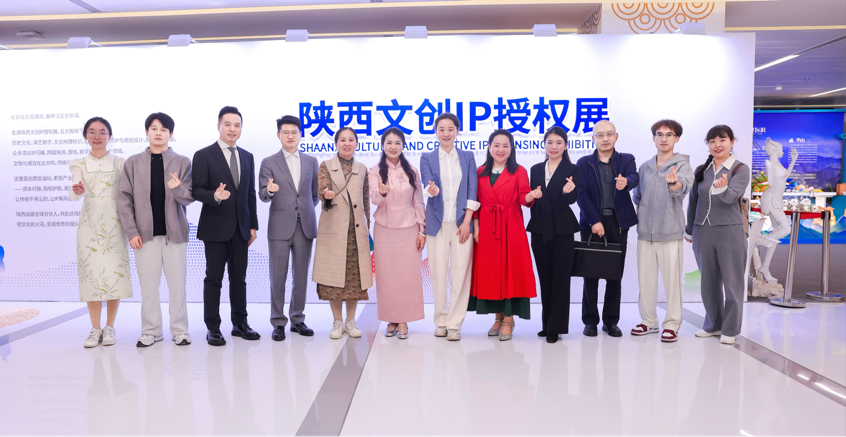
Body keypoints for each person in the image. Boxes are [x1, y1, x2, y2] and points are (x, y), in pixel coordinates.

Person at [118, 112, 194, 347]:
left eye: (163, 129)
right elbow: (124, 199)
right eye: (153, 128)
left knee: (177, 286)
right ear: (146, 132)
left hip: (175, 235)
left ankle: (180, 330)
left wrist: (178, 188)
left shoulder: (182, 162)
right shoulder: (133, 163)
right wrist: (132, 232)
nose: (158, 133)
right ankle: (151, 331)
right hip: (144, 235)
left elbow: (189, 197)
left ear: (171, 134)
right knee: (148, 286)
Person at [192, 106, 260, 346]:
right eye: (228, 124)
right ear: (218, 126)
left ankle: (240, 324)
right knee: (214, 279)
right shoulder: (203, 155)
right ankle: (213, 327)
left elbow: (249, 193)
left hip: (241, 229)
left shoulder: (247, 156)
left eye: (237, 125)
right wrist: (215, 196)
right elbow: (196, 190)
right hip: (215, 228)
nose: (233, 129)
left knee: (239, 279)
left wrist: (253, 226)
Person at [469, 129, 537, 341]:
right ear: (489, 147)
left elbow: (524, 197)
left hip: (510, 226)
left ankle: (509, 318)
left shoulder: (519, 171)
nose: (500, 150)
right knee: (491, 272)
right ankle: (498, 316)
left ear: (511, 148)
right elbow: (475, 201)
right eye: (496, 145)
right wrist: (476, 227)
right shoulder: (480, 172)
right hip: (486, 227)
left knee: (510, 271)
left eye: (505, 146)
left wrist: (531, 195)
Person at [685, 125, 750, 345]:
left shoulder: (740, 169)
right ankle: (713, 325)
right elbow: (693, 201)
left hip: (730, 232)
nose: (717, 145)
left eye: (722, 140)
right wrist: (689, 229)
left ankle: (730, 329)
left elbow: (732, 197)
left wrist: (722, 188)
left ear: (732, 142)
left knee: (732, 282)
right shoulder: (702, 169)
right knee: (708, 283)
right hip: (702, 231)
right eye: (712, 141)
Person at [71, 117, 132, 348]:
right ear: (86, 135)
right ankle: (94, 328)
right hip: (89, 227)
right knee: (92, 278)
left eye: (102, 132)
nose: (97, 136)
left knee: (113, 277)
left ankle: (109, 327)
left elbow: (128, 193)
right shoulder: (78, 163)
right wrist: (77, 189)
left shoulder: (120, 162)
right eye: (92, 131)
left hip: (114, 226)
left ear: (109, 136)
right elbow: (74, 191)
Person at [630, 119, 694, 343]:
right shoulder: (645, 167)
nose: (664, 138)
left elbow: (682, 188)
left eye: (669, 135)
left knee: (672, 281)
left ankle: (672, 323)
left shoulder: (682, 166)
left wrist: (674, 184)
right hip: (645, 234)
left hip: (670, 232)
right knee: (646, 280)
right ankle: (649, 321)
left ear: (677, 138)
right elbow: (638, 197)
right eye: (660, 134)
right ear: (653, 138)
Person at [419, 113, 480, 341]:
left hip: (461, 223)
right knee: (437, 273)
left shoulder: (467, 156)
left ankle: (454, 324)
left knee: (460, 273)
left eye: (450, 129)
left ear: (457, 131)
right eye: (441, 129)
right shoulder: (427, 157)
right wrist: (431, 189)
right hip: (436, 223)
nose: (446, 133)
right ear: (435, 131)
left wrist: (467, 220)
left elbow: (472, 189)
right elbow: (427, 183)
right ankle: (440, 321)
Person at [575, 119, 638, 338]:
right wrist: (594, 221)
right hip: (591, 223)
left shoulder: (626, 159)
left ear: (616, 137)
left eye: (609, 134)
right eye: (600, 135)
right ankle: (590, 321)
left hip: (618, 224)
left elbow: (634, 177)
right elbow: (580, 193)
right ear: (593, 138)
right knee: (590, 275)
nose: (605, 138)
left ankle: (611, 321)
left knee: (614, 275)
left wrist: (626, 182)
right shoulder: (584, 163)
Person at [259, 115, 319, 341]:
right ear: (279, 135)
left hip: (305, 226)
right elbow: (263, 194)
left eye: (294, 132)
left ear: (300, 134)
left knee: (301, 276)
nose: (290, 136)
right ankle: (278, 322)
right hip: (279, 227)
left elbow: (314, 195)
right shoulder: (269, 162)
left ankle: (297, 319)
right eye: (286, 132)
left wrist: (303, 210)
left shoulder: (311, 161)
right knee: (278, 277)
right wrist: (270, 190)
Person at [312, 127, 371, 340]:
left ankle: (350, 320)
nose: (347, 143)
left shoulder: (362, 168)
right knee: (333, 277)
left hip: (356, 232)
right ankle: (337, 321)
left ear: (356, 143)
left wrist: (368, 225)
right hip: (334, 230)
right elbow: (322, 190)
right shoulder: (326, 166)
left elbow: (365, 199)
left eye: (351, 140)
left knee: (355, 277)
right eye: (342, 140)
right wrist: (326, 195)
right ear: (336, 143)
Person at [368, 127, 426, 339]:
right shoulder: (374, 171)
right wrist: (381, 193)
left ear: (403, 146)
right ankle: (391, 318)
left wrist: (422, 230)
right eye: (389, 143)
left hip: (409, 228)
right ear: (383, 145)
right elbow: (374, 197)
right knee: (387, 276)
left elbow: (418, 201)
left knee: (407, 275)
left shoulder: (412, 171)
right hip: (384, 230)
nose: (393, 147)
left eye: (397, 143)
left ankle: (403, 319)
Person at [526, 126, 580, 344]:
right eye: (550, 142)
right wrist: (533, 196)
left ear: (565, 145)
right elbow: (532, 200)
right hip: (539, 229)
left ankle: (555, 328)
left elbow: (572, 200)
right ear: (544, 144)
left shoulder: (572, 169)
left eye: (558, 142)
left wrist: (568, 193)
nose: (554, 146)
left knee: (561, 279)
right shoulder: (536, 169)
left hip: (562, 229)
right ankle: (546, 323)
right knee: (545, 278)